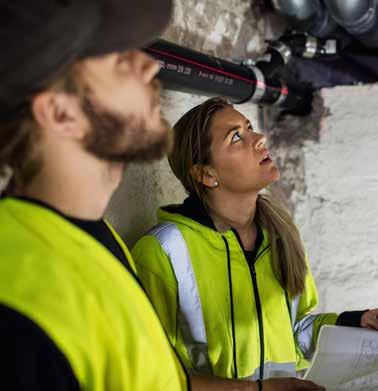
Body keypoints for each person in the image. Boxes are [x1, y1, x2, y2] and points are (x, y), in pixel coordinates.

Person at [0, 1, 322, 390]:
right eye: (119, 60)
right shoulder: (21, 293)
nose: (150, 67)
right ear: (60, 113)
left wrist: (260, 389)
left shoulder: (92, 239)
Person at [131, 97, 378, 382]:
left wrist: (353, 322)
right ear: (206, 174)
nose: (259, 138)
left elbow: (294, 334)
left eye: (250, 128)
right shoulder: (163, 252)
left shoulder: (281, 235)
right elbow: (149, 373)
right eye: (237, 137)